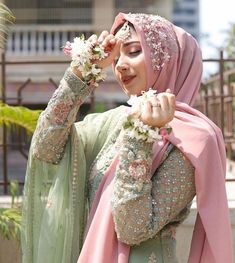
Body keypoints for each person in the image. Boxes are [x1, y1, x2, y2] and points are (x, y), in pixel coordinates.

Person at [21, 12, 233, 263]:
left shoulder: (194, 139)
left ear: (166, 60)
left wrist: (140, 135)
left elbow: (132, 227)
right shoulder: (112, 123)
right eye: (117, 56)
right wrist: (80, 74)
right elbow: (45, 147)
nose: (119, 64)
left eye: (133, 52)